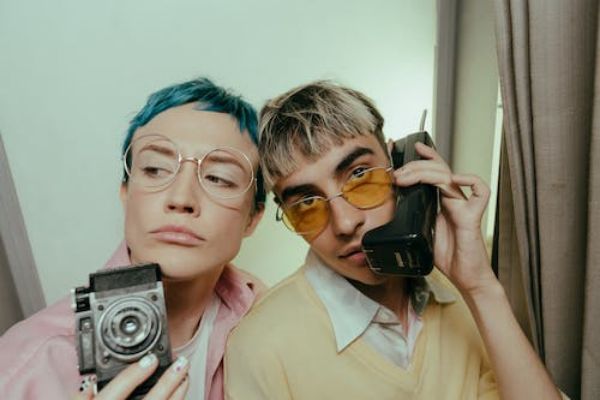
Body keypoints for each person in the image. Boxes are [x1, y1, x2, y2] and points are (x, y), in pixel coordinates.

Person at [224, 81, 566, 399]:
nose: (345, 223)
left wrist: (479, 288)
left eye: (359, 175)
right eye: (306, 204)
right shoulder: (260, 348)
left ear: (398, 163)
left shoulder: (463, 298)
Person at [0, 77, 266, 400]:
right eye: (155, 169)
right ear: (125, 193)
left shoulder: (268, 322)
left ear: (254, 217)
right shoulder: (23, 367)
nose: (181, 198)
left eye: (218, 178)